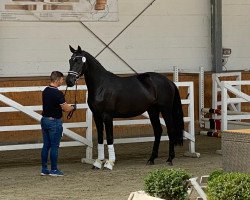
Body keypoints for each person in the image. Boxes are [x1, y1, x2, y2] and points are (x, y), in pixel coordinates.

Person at [40, 71, 76, 176]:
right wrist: (73, 107)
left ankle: (44, 168)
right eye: (61, 79)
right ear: (57, 79)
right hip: (54, 122)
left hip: (45, 120)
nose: (62, 81)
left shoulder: (45, 90)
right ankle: (54, 170)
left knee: (46, 145)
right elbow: (65, 108)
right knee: (55, 146)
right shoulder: (58, 93)